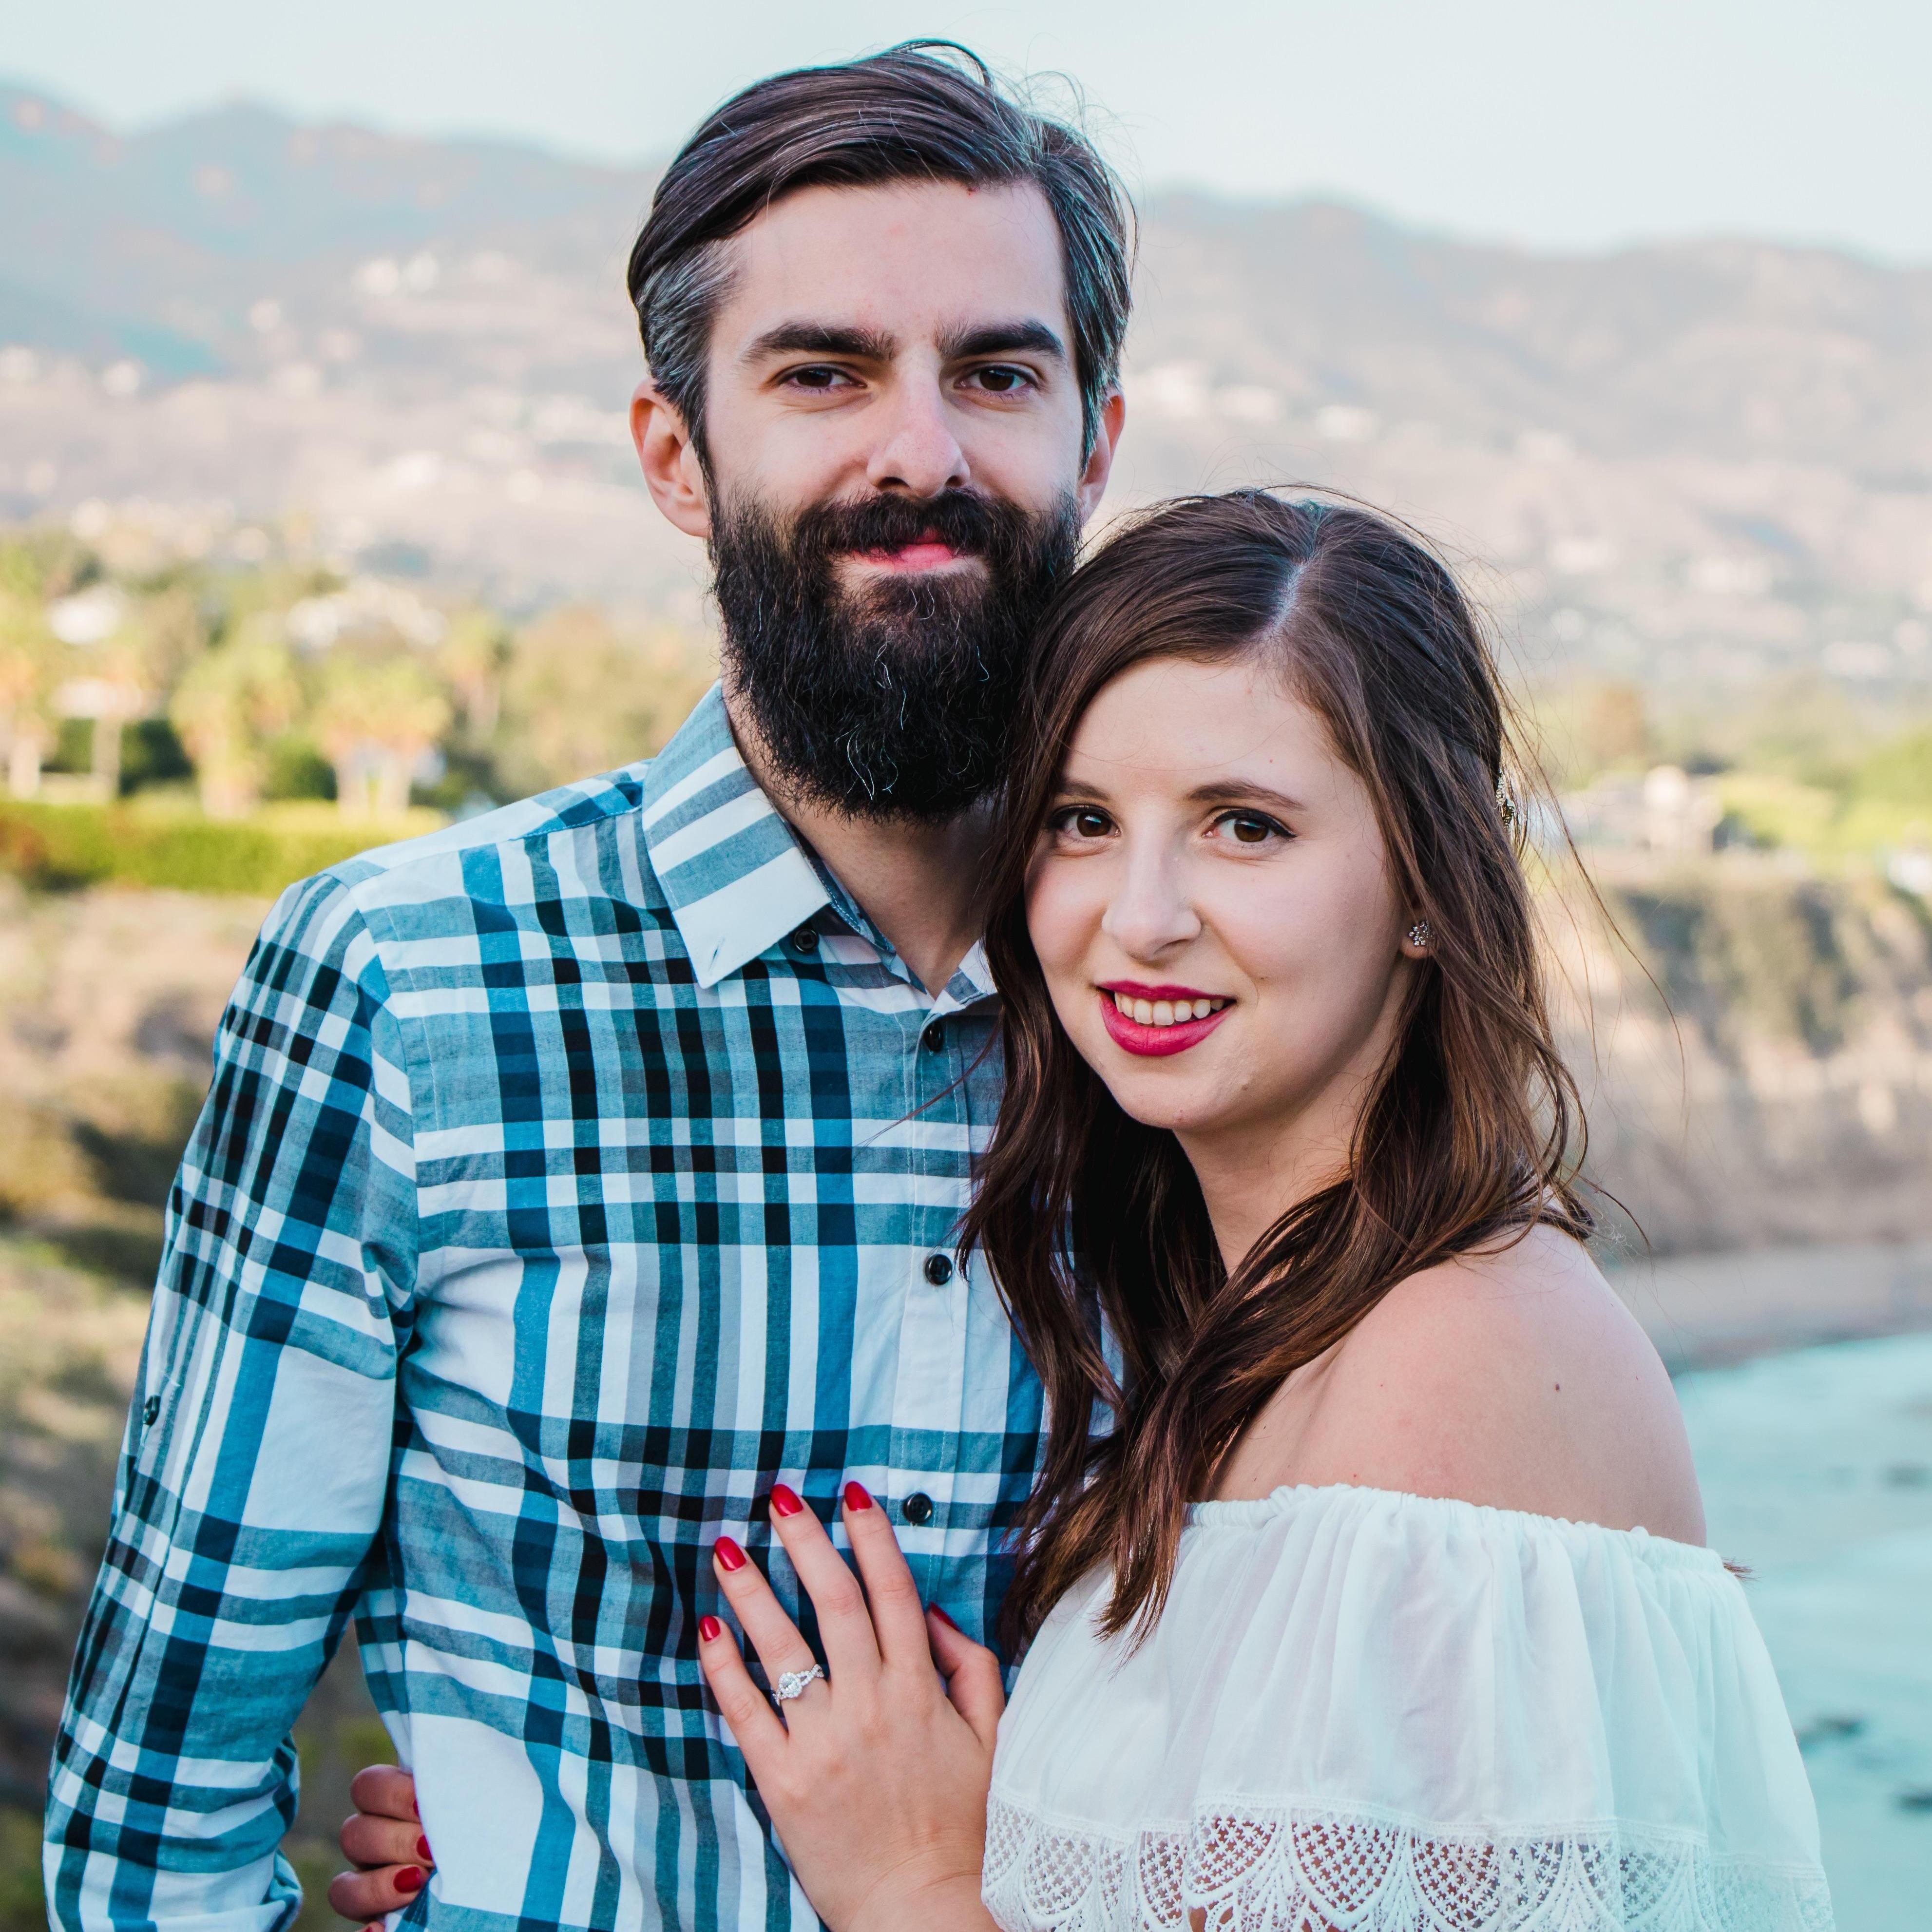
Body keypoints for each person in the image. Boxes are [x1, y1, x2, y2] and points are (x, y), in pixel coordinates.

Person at [43, 44, 1130, 1932]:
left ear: (1094, 440)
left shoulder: (1214, 1018)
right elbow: (164, 1792)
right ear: (672, 456)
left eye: (996, 372)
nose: (920, 452)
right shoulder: (407, 979)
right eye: (821, 373)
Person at [650, 494, 1836, 1930]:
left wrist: (911, 1885)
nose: (1141, 915)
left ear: (1426, 879)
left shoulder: (1451, 1368)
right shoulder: (1276, 1326)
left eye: (1245, 827)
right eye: (1083, 822)